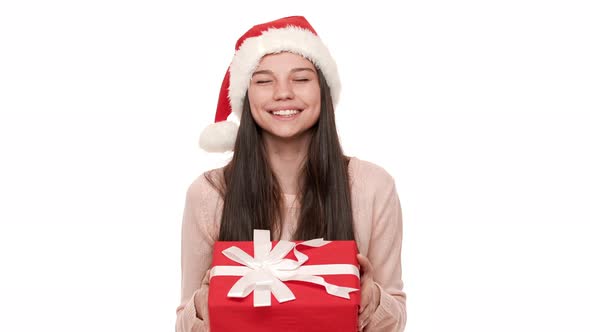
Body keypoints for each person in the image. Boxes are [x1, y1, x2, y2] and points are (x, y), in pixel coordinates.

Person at [175, 16, 406, 332]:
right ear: (245, 94)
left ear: (323, 90)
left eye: (300, 79)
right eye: (264, 80)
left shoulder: (372, 186)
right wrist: (203, 306)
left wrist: (373, 299)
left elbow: (397, 315)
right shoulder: (209, 193)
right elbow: (183, 318)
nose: (283, 93)